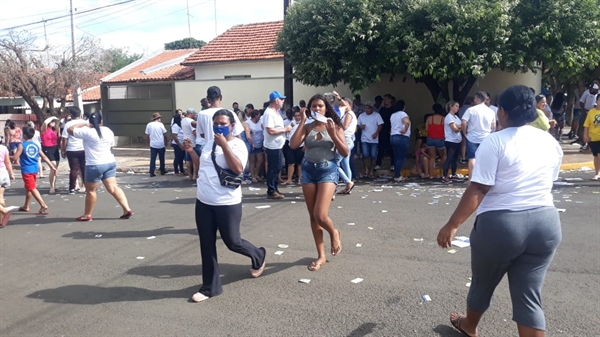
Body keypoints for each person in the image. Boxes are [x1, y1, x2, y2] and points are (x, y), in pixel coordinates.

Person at [437, 85, 563, 337]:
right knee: (529, 295)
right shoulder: (550, 142)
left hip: (502, 226)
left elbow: (478, 189)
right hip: (546, 223)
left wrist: (451, 225)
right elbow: (550, 180)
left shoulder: (494, 142)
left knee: (483, 283)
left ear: (502, 111)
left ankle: (469, 326)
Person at [184, 109, 266, 303]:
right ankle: (210, 287)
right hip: (204, 201)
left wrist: (225, 146)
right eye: (216, 123)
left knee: (233, 242)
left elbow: (238, 169)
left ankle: (258, 254)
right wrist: (190, 152)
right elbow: (203, 166)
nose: (219, 126)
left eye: (223, 123)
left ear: (231, 126)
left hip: (226, 202)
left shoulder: (238, 144)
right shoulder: (208, 144)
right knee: (206, 244)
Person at [290, 94, 347, 271]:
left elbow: (344, 152)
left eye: (320, 106)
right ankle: (321, 255)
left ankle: (334, 232)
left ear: (326, 108)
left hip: (327, 170)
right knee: (313, 217)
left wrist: (332, 134)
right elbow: (293, 145)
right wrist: (302, 121)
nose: (317, 109)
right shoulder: (307, 127)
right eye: (313, 106)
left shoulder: (335, 126)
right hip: (308, 170)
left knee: (320, 215)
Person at [68, 112, 133, 221]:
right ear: (101, 121)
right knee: (113, 187)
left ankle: (87, 215)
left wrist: (83, 123)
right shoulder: (108, 131)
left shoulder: (88, 132)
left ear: (90, 122)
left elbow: (70, 129)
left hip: (94, 164)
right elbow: (112, 146)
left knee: (91, 190)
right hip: (109, 162)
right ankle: (127, 209)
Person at [11, 127, 57, 215]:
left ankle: (43, 205)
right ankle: (26, 206)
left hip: (26, 170)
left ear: (24, 135)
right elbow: (44, 157)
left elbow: (15, 158)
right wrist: (52, 167)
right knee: (29, 188)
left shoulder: (22, 145)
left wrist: (5, 157)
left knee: (32, 188)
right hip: (34, 169)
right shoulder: (36, 145)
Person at [263, 91, 292, 199]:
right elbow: (270, 130)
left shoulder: (276, 112)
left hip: (278, 144)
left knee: (277, 167)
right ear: (276, 101)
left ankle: (274, 188)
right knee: (274, 168)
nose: (283, 101)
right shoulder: (269, 113)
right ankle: (271, 190)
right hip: (272, 145)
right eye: (281, 99)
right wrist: (285, 129)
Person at [461, 91, 496, 180]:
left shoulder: (471, 110)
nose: (474, 100)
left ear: (478, 99)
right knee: (485, 158)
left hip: (472, 137)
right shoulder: (491, 111)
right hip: (485, 137)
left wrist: (465, 133)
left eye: (475, 98)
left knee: (472, 158)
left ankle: (471, 179)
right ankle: (484, 178)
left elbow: (464, 122)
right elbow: (493, 126)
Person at [61, 106, 87, 194]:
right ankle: (86, 186)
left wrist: (63, 150)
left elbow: (64, 139)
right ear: (80, 114)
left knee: (74, 169)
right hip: (84, 148)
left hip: (72, 149)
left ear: (71, 115)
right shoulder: (85, 123)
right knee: (84, 168)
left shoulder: (68, 124)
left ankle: (72, 188)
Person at [357, 103, 384, 178]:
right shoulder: (361, 116)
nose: (367, 110)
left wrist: (377, 133)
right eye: (365, 108)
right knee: (365, 155)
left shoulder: (376, 115)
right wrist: (360, 127)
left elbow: (380, 125)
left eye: (368, 108)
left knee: (373, 155)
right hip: (364, 138)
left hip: (374, 139)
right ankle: (366, 169)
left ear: (371, 108)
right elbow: (358, 125)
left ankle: (371, 170)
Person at [389, 100, 411, 182]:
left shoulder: (393, 115)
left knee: (396, 156)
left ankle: (396, 174)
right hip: (402, 137)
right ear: (403, 107)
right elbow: (407, 122)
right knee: (400, 157)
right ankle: (397, 176)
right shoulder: (403, 114)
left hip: (393, 136)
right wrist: (405, 130)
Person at [426, 104, 447, 179]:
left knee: (432, 157)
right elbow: (446, 130)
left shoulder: (429, 118)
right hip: (440, 139)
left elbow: (426, 129)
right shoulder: (443, 119)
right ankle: (445, 174)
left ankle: (431, 175)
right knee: (443, 156)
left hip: (430, 139)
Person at [443, 101, 462, 183]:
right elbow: (454, 129)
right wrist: (460, 127)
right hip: (451, 141)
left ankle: (453, 174)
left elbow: (460, 126)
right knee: (449, 158)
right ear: (451, 107)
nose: (457, 108)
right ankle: (444, 175)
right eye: (456, 106)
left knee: (455, 158)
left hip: (457, 140)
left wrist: (459, 127)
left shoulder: (456, 117)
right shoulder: (449, 117)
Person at [41, 117, 60, 193]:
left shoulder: (54, 130)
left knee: (55, 168)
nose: (53, 123)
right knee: (53, 166)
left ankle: (54, 185)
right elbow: (45, 122)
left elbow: (59, 136)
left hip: (55, 148)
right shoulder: (44, 129)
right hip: (47, 148)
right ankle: (51, 187)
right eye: (52, 122)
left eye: (54, 122)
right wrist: (52, 117)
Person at [583, 94, 600, 180]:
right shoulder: (591, 112)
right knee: (596, 155)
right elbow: (586, 125)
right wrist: (585, 135)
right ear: (596, 101)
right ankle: (597, 173)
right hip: (593, 137)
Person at [145, 112, 168, 177]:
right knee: (162, 158)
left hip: (153, 144)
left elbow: (147, 135)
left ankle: (152, 172)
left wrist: (147, 142)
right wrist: (166, 142)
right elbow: (165, 134)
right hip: (161, 144)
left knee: (153, 159)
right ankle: (162, 170)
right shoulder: (161, 125)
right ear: (158, 118)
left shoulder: (149, 125)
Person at [248, 110, 265, 183]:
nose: (260, 117)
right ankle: (253, 176)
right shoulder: (248, 122)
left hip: (259, 144)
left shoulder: (261, 122)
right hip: (251, 144)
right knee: (252, 161)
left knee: (260, 160)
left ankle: (256, 173)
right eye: (259, 115)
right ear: (255, 116)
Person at [0, 142, 15, 227]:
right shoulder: (4, 148)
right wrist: (11, 173)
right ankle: (1, 219)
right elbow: (8, 162)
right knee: (0, 197)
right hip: (4, 174)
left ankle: (4, 211)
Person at [182, 109, 197, 180]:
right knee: (194, 159)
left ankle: (189, 175)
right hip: (192, 141)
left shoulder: (183, 120)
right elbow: (194, 132)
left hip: (185, 140)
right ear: (191, 114)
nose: (194, 115)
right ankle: (194, 175)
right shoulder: (191, 121)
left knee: (188, 159)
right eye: (194, 114)